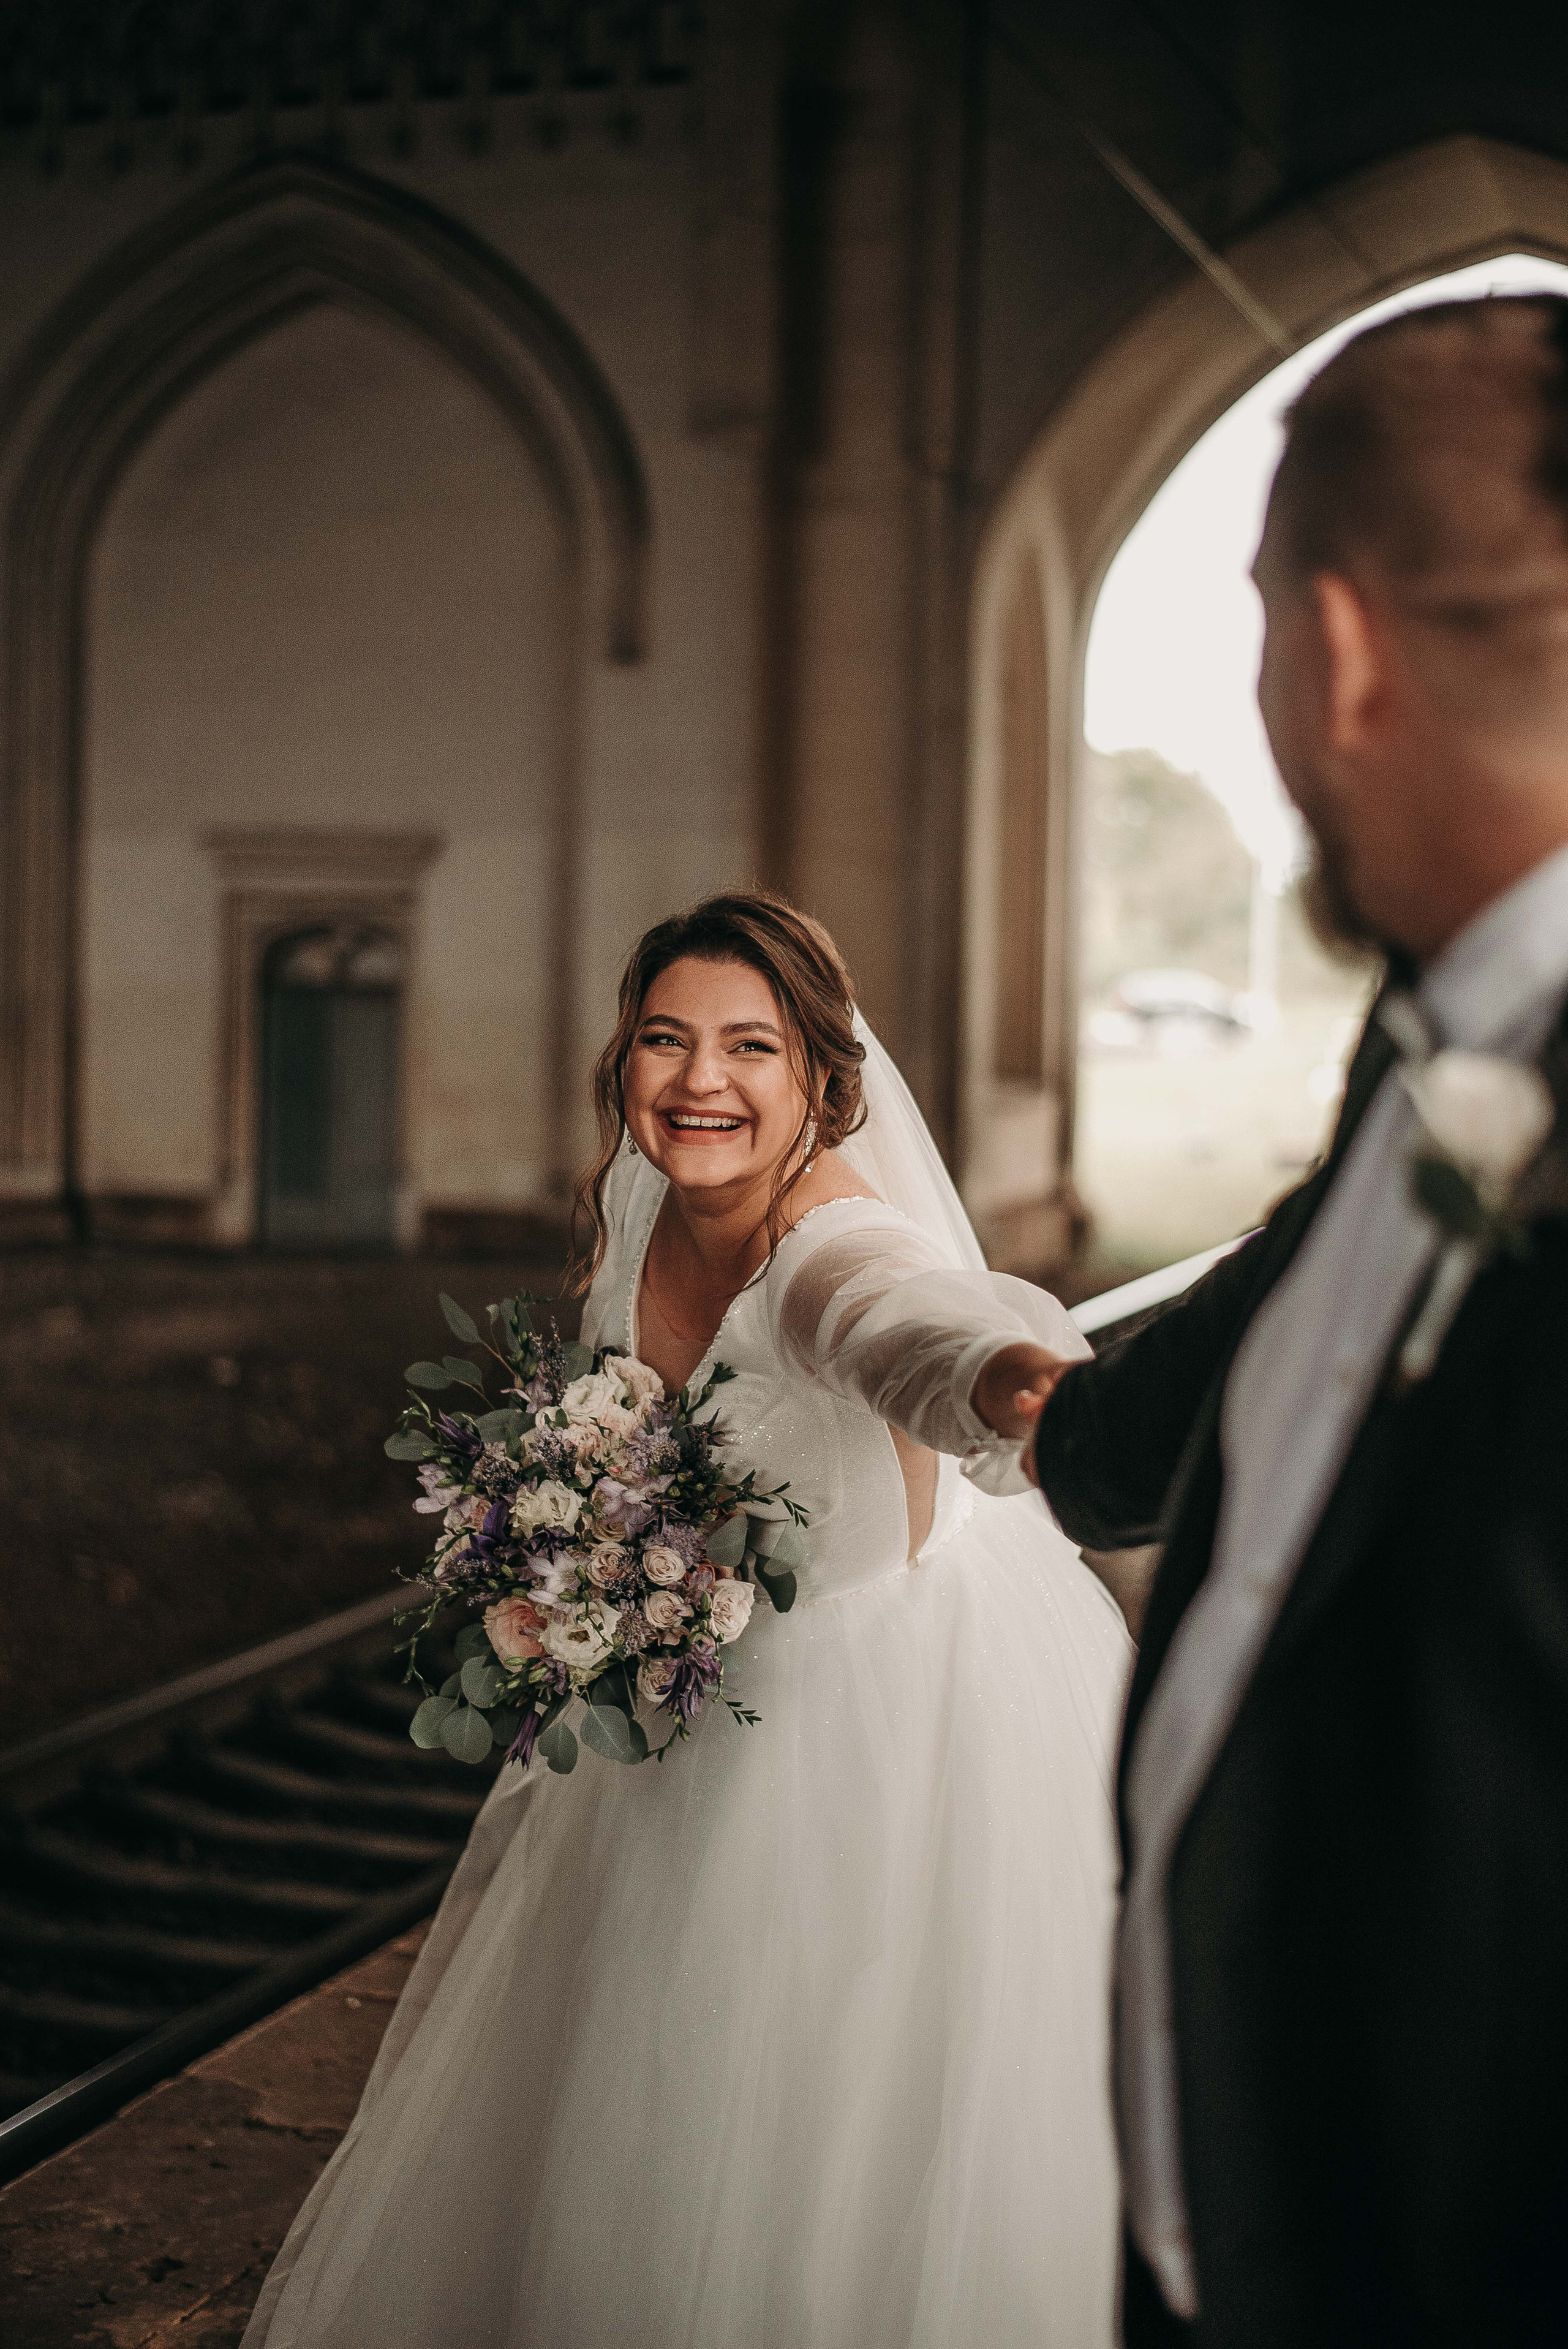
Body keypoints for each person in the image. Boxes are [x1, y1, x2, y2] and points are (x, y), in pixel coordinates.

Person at [244, 892, 1133, 2349]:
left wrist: (1006, 1386)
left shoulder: (834, 1250)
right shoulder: (649, 1201)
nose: (697, 1081)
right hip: (694, 1697)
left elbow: (910, 1326)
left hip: (864, 1739)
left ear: (819, 1082)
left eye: (747, 1048)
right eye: (664, 1039)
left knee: (795, 2136)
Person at [1014, 297, 1568, 2347]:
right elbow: (1290, 1310)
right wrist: (1050, 1412)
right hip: (1233, 2248)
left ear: (1331, 652)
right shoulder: (1431, 1035)